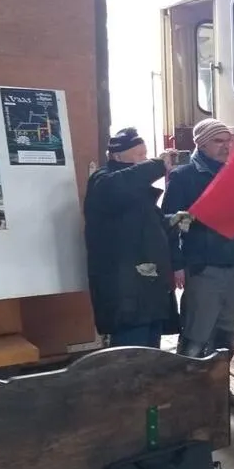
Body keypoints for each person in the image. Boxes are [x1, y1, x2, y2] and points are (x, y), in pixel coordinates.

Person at [162, 118, 234, 407]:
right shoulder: (184, 177)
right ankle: (184, 397)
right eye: (218, 141)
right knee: (197, 332)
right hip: (202, 266)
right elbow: (169, 224)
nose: (226, 147)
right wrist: (177, 264)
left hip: (232, 265)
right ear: (201, 144)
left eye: (228, 141)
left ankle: (218, 390)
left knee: (227, 331)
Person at [84, 127, 178, 348]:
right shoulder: (103, 181)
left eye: (146, 154)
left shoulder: (136, 188)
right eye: (139, 154)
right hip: (125, 287)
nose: (144, 159)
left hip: (149, 285)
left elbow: (148, 225)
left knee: (151, 351)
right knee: (130, 354)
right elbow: (119, 187)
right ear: (117, 156)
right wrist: (157, 165)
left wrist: (174, 220)